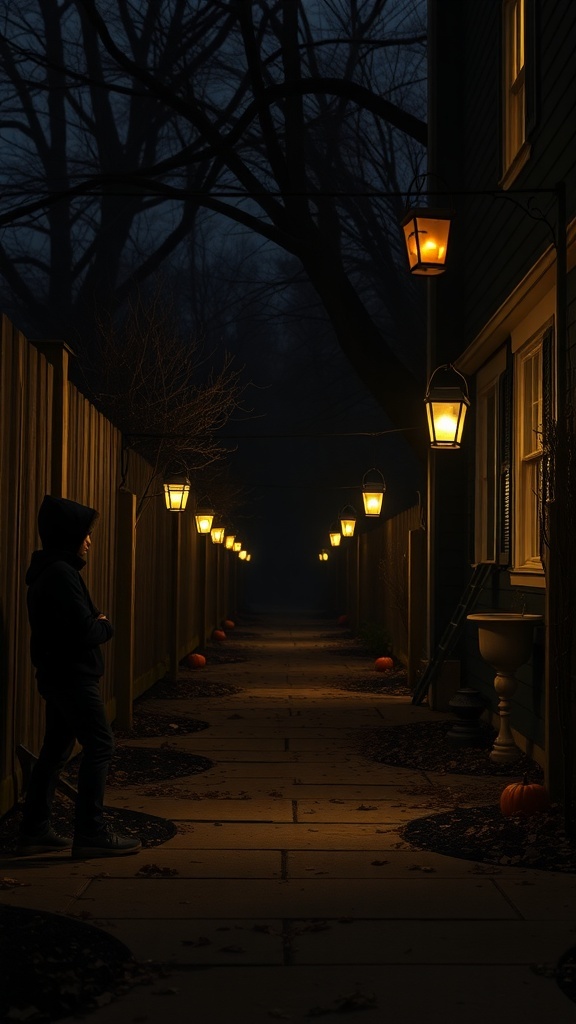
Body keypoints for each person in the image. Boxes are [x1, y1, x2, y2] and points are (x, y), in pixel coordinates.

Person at [18, 494, 141, 858]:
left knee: (55, 751)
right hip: (72, 677)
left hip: (58, 674)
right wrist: (105, 626)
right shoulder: (61, 574)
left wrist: (96, 622)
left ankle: (35, 829)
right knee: (100, 745)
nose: (89, 541)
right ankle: (91, 832)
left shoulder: (54, 571)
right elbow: (88, 629)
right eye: (85, 533)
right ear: (68, 534)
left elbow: (83, 620)